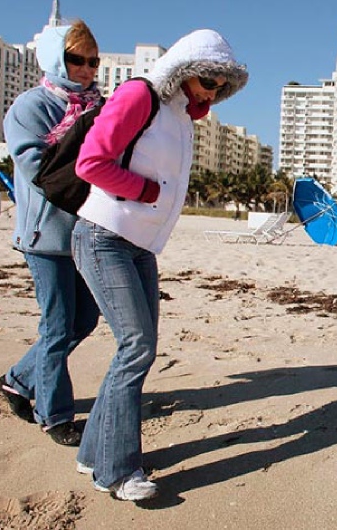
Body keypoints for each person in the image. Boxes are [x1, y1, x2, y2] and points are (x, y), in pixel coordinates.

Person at [72, 29, 247, 501]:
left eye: (220, 86)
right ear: (185, 67)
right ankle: (118, 472)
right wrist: (146, 192)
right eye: (208, 79)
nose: (212, 91)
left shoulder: (181, 117)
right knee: (137, 348)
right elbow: (91, 163)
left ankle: (93, 453)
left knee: (137, 349)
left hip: (139, 246)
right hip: (104, 236)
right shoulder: (139, 95)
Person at [0, 21, 104, 446]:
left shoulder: (98, 104)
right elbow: (39, 170)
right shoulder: (31, 106)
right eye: (77, 60)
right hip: (45, 236)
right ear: (57, 59)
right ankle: (54, 415)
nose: (86, 69)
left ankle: (18, 379)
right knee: (57, 326)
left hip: (86, 235)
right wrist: (88, 144)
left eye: (93, 61)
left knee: (86, 317)